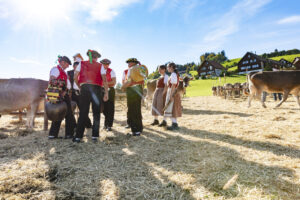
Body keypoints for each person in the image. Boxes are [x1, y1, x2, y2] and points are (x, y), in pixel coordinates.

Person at [73, 50, 108, 142]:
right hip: (96, 89)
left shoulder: (81, 63)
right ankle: (95, 136)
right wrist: (106, 93)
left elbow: (75, 76)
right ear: (96, 57)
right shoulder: (100, 66)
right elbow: (104, 79)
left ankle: (78, 137)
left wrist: (79, 86)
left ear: (89, 56)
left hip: (85, 88)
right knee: (96, 112)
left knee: (83, 112)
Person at [48, 56, 76, 139]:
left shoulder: (63, 71)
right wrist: (61, 92)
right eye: (67, 64)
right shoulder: (56, 69)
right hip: (59, 95)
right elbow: (52, 80)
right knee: (59, 114)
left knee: (66, 114)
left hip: (64, 94)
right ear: (62, 62)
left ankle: (60, 134)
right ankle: (57, 134)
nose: (68, 66)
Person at [67, 54, 92, 128]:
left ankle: (88, 124)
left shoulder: (83, 73)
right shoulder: (69, 73)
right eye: (75, 66)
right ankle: (74, 125)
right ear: (73, 66)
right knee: (70, 110)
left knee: (83, 109)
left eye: (78, 66)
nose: (77, 67)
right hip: (72, 92)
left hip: (81, 93)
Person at [122, 58, 144, 136]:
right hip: (139, 89)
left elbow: (129, 81)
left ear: (133, 63)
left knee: (132, 110)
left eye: (129, 62)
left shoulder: (131, 69)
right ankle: (140, 128)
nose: (128, 64)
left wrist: (123, 87)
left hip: (132, 90)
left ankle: (135, 130)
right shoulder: (141, 69)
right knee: (137, 110)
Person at [163, 62, 182, 130]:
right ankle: (174, 123)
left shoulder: (173, 74)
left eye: (168, 67)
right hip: (172, 91)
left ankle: (174, 124)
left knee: (172, 107)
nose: (167, 68)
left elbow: (173, 85)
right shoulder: (174, 74)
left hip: (172, 92)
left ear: (171, 67)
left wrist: (171, 95)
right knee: (171, 107)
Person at [100, 59, 116, 131]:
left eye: (107, 64)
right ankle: (106, 123)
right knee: (103, 108)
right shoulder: (99, 71)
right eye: (104, 64)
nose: (105, 65)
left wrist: (104, 83)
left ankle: (109, 125)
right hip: (101, 90)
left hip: (110, 90)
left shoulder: (111, 71)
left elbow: (114, 82)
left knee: (110, 108)